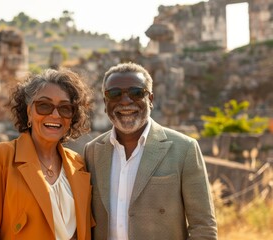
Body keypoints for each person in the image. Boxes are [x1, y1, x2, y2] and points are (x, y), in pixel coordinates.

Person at [84, 62, 217, 240]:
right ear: (105, 102)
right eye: (114, 94)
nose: (125, 101)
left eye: (136, 93)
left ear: (151, 100)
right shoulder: (92, 152)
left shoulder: (184, 149)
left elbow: (203, 227)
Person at [0, 68, 95, 240]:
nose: (55, 115)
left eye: (65, 108)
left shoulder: (79, 163)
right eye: (44, 106)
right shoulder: (0, 157)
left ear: (72, 117)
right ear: (29, 111)